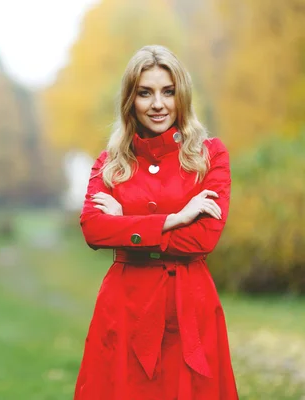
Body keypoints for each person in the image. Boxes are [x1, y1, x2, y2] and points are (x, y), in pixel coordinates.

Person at [73, 45, 239, 400]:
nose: (158, 104)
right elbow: (92, 228)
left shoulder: (210, 155)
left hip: (188, 305)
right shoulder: (111, 162)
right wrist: (174, 220)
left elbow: (203, 239)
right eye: (145, 93)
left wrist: (127, 224)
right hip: (123, 306)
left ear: (182, 95)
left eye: (168, 92)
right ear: (130, 100)